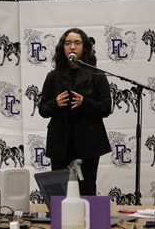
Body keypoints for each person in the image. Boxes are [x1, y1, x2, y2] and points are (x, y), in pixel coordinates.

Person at [39, 28, 112, 195]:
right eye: (68, 43)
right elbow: (43, 109)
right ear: (62, 48)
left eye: (77, 43)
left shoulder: (97, 76)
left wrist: (85, 102)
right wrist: (55, 103)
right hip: (60, 144)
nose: (72, 47)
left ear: (85, 47)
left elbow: (106, 108)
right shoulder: (52, 77)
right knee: (60, 192)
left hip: (88, 144)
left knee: (87, 190)